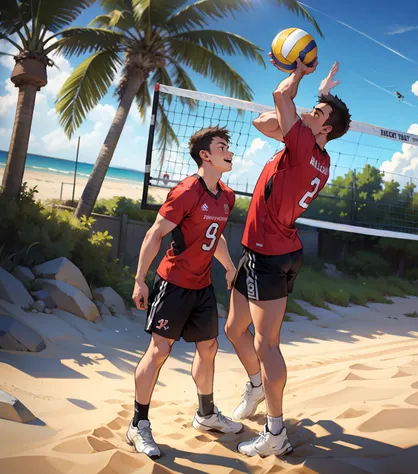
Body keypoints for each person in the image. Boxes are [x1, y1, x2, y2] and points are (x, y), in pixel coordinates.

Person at [225, 58, 351, 458]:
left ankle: (275, 432)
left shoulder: (302, 144)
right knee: (233, 328)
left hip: (270, 255)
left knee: (267, 345)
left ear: (325, 129)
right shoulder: (319, 156)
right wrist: (320, 99)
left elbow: (280, 96)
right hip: (267, 249)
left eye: (318, 114)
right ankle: (256, 387)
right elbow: (264, 122)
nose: (311, 113)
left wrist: (299, 74)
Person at [126, 126, 242, 460]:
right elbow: (155, 233)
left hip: (202, 286)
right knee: (160, 349)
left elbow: (214, 236)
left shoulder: (227, 196)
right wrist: (139, 279)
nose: (229, 151)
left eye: (228, 146)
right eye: (222, 146)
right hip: (173, 284)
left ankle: (206, 415)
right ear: (205, 155)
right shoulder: (186, 192)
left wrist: (230, 266)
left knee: (209, 347)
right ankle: (138, 424)